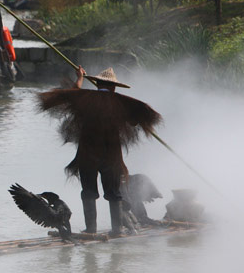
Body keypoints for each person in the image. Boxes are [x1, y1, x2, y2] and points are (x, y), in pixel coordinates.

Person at [37, 66, 162, 237]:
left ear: (97, 84)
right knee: (113, 192)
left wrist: (80, 77)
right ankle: (117, 230)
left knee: (88, 190)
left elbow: (72, 93)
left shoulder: (85, 98)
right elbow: (135, 120)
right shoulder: (121, 101)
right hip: (111, 155)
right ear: (113, 86)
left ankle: (91, 230)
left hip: (88, 153)